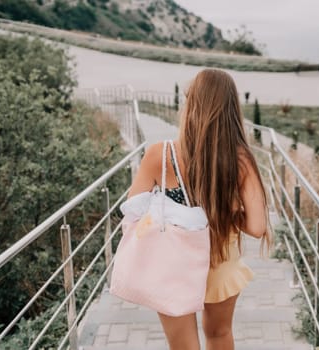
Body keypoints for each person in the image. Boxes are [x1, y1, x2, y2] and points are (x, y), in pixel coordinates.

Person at [127, 69, 270, 350]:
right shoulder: (241, 159)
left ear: (191, 104)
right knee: (218, 334)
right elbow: (257, 227)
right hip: (220, 258)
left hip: (172, 262)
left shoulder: (160, 154)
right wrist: (223, 211)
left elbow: (133, 209)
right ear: (231, 108)